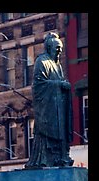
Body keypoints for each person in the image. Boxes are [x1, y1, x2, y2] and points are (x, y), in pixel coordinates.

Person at [25, 32, 73, 168]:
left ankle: (60, 157)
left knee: (60, 133)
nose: (59, 51)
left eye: (61, 48)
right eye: (57, 48)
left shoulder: (57, 66)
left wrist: (64, 86)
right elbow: (39, 85)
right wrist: (59, 85)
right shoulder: (42, 62)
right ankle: (44, 159)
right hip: (48, 110)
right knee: (46, 137)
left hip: (59, 107)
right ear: (49, 47)